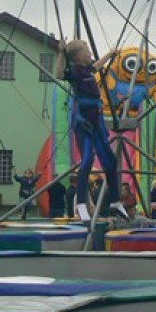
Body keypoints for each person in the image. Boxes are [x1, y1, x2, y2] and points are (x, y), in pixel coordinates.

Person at [56, 39, 129, 221]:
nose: (90, 54)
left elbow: (97, 66)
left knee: (110, 160)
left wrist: (110, 54)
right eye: (87, 51)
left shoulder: (88, 70)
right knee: (87, 160)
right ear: (79, 56)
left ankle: (115, 201)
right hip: (83, 121)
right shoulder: (74, 72)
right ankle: (81, 203)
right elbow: (58, 74)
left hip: (96, 119)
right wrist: (61, 53)